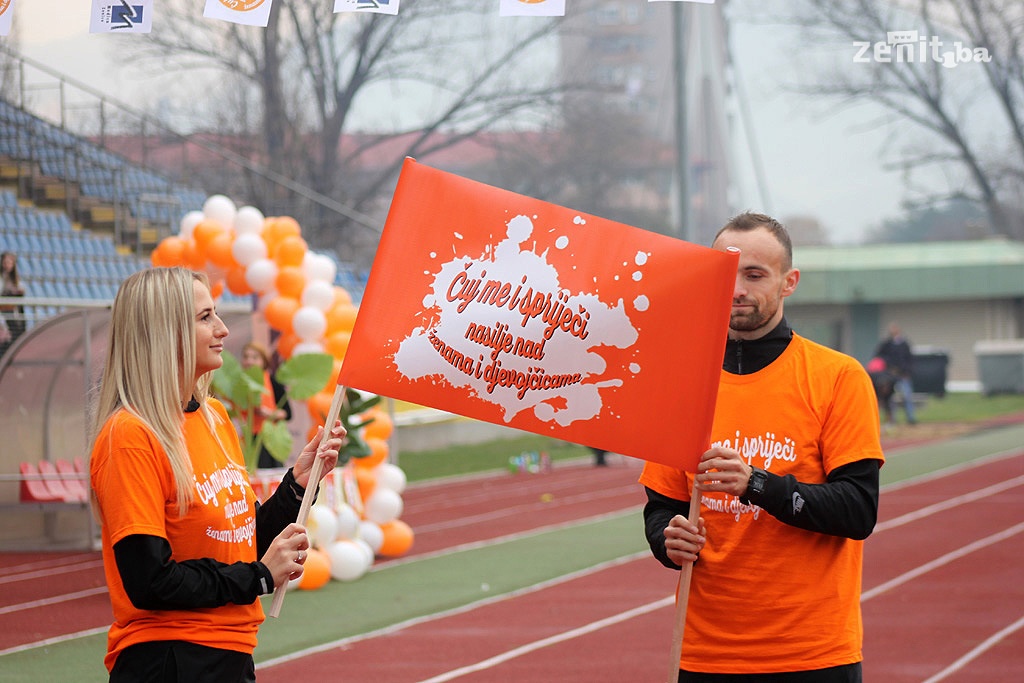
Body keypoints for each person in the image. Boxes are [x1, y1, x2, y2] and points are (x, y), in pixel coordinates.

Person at [639, 212, 885, 682]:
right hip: (703, 654)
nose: (736, 289)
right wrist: (666, 539)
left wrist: (756, 483)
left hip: (813, 654)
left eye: (754, 274)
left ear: (789, 281)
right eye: (725, 272)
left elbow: (858, 512)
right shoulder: (684, 381)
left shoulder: (837, 377)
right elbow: (660, 508)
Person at [88, 267, 345, 682]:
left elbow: (239, 542)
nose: (223, 329)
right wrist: (259, 576)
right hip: (171, 660)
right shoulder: (130, 435)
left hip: (229, 655)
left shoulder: (215, 418)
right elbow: (150, 581)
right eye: (205, 317)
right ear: (163, 332)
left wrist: (297, 486)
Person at [239, 341, 293, 469]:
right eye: (246, 357)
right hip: (247, 440)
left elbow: (288, 413)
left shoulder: (273, 382)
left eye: (254, 357)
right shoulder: (239, 384)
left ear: (263, 361)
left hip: (268, 439)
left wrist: (267, 413)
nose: (249, 361)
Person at [875, 322, 917, 424]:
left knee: (907, 396)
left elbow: (910, 359)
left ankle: (911, 418)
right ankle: (892, 419)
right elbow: (879, 356)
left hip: (903, 374)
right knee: (890, 398)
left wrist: (907, 371)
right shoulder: (887, 344)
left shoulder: (905, 344)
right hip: (890, 375)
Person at [0, 250, 26, 356]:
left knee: (15, 339)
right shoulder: (1, 280)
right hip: (3, 315)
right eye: (6, 262)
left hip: (13, 317)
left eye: (10, 262)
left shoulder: (16, 281)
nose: (8, 265)